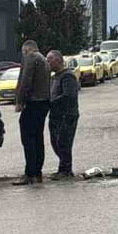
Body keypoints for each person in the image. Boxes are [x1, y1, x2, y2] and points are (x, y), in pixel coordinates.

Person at [12, 39, 51, 185]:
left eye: (23, 53)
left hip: (33, 102)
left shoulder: (31, 58)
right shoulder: (44, 60)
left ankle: (30, 173)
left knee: (28, 138)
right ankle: (37, 173)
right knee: (38, 138)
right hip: (44, 102)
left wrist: (20, 101)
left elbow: (26, 80)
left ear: (26, 50)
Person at [46, 50, 80, 180]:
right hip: (55, 116)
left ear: (59, 60)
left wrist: (51, 103)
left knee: (64, 142)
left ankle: (66, 170)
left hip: (67, 115)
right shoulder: (54, 77)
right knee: (56, 143)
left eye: (50, 60)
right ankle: (62, 168)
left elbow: (68, 96)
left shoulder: (68, 76)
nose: (48, 63)